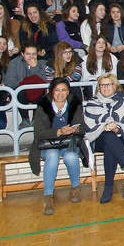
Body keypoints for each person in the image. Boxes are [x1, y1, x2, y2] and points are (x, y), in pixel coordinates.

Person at [29, 78, 88, 215]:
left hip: (69, 141)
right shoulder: (43, 105)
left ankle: (75, 188)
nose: (60, 93)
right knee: (52, 156)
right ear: (51, 91)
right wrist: (59, 131)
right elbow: (38, 133)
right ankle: (48, 196)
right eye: (57, 90)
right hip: (48, 144)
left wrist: (74, 130)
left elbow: (82, 127)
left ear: (68, 92)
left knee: (71, 156)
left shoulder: (75, 104)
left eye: (63, 90)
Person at [83, 73, 124, 204]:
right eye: (102, 85)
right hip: (97, 139)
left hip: (119, 138)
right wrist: (104, 126)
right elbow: (89, 125)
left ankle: (108, 187)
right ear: (98, 87)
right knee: (107, 135)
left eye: (108, 84)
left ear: (115, 86)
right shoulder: (93, 102)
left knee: (110, 144)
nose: (105, 88)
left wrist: (117, 128)